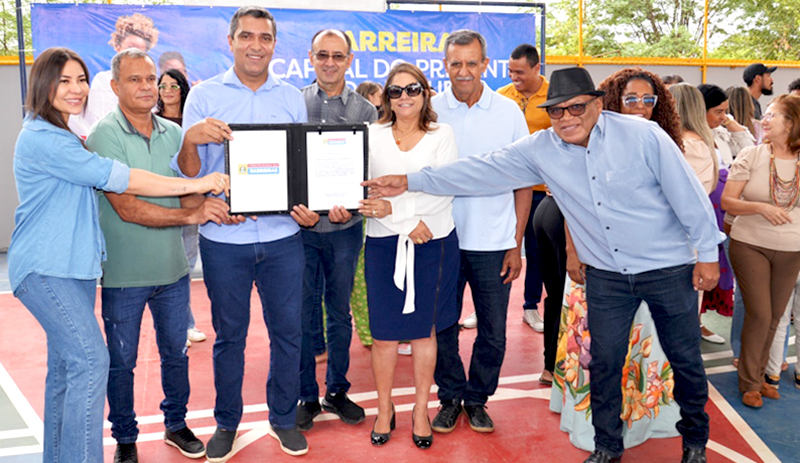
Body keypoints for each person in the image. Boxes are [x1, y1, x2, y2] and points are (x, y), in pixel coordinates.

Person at [364, 67, 723, 463]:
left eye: (576, 107)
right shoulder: (542, 148)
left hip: (666, 268)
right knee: (604, 363)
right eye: (556, 111)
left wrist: (708, 253)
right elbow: (481, 169)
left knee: (684, 358)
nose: (566, 118)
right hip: (605, 275)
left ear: (598, 104)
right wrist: (409, 181)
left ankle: (695, 442)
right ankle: (607, 447)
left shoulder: (643, 136)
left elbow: (687, 194)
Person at [9, 47, 226, 463]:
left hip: (72, 271)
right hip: (45, 268)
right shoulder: (48, 139)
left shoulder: (61, 134)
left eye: (80, 80)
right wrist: (197, 188)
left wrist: (207, 196)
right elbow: (124, 181)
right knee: (94, 360)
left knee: (65, 372)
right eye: (64, 81)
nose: (76, 89)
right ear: (43, 85)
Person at [172, 6, 312, 459]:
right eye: (247, 36)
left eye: (264, 37)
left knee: (288, 334)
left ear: (274, 44)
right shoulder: (204, 96)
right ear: (230, 41)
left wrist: (307, 206)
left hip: (283, 237)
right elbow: (188, 172)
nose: (256, 45)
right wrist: (191, 138)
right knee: (229, 337)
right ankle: (227, 423)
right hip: (223, 241)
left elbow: (298, 167)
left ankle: (283, 419)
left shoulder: (290, 97)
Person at [86, 49, 227, 463]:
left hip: (173, 271)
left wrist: (223, 201)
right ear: (115, 86)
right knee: (122, 362)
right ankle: (125, 438)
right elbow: (128, 208)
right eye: (135, 79)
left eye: (151, 79)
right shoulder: (103, 137)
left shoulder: (174, 133)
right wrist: (194, 213)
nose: (147, 87)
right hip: (123, 275)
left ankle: (176, 425)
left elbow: (190, 190)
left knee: (175, 356)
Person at [549, 67, 686, 450]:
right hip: (596, 265)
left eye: (648, 99)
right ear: (611, 103)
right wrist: (573, 252)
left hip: (653, 266)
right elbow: (572, 204)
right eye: (631, 99)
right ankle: (596, 428)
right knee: (598, 349)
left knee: (646, 342)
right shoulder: (583, 140)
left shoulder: (662, 143)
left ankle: (643, 417)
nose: (640, 106)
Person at [428, 30, 529, 434]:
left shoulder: (508, 112)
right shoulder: (431, 110)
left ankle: (477, 399)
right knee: (442, 327)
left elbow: (524, 182)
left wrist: (516, 244)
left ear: (486, 64)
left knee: (493, 331)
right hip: (442, 241)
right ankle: (450, 397)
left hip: (495, 243)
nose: (464, 71)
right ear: (445, 65)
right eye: (456, 63)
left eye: (472, 62)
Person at [358, 62, 459, 450]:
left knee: (424, 333)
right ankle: (384, 409)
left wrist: (401, 213)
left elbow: (445, 187)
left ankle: (420, 409)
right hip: (384, 244)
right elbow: (367, 193)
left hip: (433, 241)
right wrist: (405, 220)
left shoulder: (442, 134)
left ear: (426, 92)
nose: (404, 97)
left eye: (412, 89)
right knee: (383, 336)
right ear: (386, 96)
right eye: (396, 90)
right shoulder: (371, 135)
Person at [295, 29, 377, 432]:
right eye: (322, 55)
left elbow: (370, 171)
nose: (330, 63)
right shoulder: (293, 103)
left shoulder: (367, 112)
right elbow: (288, 166)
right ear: (311, 57)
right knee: (302, 312)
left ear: (349, 60)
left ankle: (337, 391)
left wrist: (354, 204)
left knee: (339, 313)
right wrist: (297, 207)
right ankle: (306, 396)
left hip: (346, 229)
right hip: (299, 229)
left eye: (338, 56)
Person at [721, 94, 800, 408]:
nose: (764, 120)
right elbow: (728, 201)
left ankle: (763, 376)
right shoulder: (751, 155)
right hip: (749, 244)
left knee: (776, 316)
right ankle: (750, 383)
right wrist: (760, 208)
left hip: (792, 248)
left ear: (791, 124)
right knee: (761, 313)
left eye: (772, 115)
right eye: (765, 114)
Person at [496, 43, 551, 332]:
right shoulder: (501, 96)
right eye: (510, 72)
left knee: (536, 250)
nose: (514, 77)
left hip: (542, 190)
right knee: (498, 247)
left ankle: (530, 306)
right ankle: (486, 306)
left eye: (520, 72)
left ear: (536, 68)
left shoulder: (554, 96)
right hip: (507, 189)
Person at [155, 67, 207, 348]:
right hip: (161, 202)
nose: (167, 91)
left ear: (183, 89)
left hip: (189, 201)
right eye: (162, 86)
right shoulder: (150, 121)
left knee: (185, 264)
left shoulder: (192, 122)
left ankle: (185, 325)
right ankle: (174, 328)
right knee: (165, 266)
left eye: (173, 86)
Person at [70, 13, 159, 138]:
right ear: (118, 47)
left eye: (139, 51)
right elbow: (98, 117)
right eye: (129, 48)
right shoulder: (103, 80)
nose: (133, 55)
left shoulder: (152, 85)